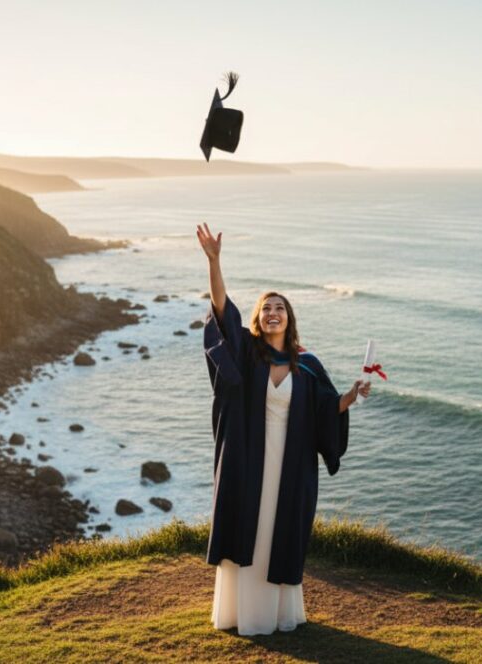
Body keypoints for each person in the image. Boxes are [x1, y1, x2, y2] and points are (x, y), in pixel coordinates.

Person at [196, 223, 370, 635]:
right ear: (259, 318)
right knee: (249, 528)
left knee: (279, 527)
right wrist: (215, 262)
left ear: (289, 318)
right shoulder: (247, 353)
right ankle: (243, 613)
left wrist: (350, 395)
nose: (273, 313)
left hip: (289, 464)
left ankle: (276, 614)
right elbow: (222, 313)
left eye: (281, 308)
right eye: (267, 308)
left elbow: (326, 410)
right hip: (247, 459)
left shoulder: (306, 365)